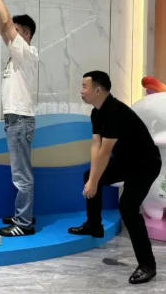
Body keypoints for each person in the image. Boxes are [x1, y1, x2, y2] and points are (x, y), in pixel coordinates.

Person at [68, 71, 161, 284]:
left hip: (146, 163)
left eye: (84, 87)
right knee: (89, 175)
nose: (81, 91)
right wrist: (92, 179)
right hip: (126, 161)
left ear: (98, 90)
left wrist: (94, 182)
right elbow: (96, 145)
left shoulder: (114, 111)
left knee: (128, 206)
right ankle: (94, 225)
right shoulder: (97, 112)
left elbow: (105, 151)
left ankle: (148, 265)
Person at [0, 0, 38, 237]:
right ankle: (23, 213)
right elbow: (4, 27)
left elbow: (6, 25)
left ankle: (24, 223)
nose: (10, 35)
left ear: (26, 35)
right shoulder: (15, 56)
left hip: (20, 120)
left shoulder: (27, 53)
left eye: (17, 32)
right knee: (19, 173)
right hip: (15, 120)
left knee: (22, 176)